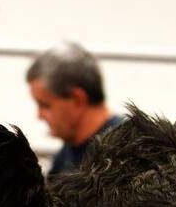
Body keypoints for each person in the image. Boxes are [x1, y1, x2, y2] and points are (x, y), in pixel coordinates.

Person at [26, 41, 123, 177]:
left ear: (78, 99)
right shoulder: (66, 154)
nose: (39, 115)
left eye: (45, 105)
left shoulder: (125, 152)